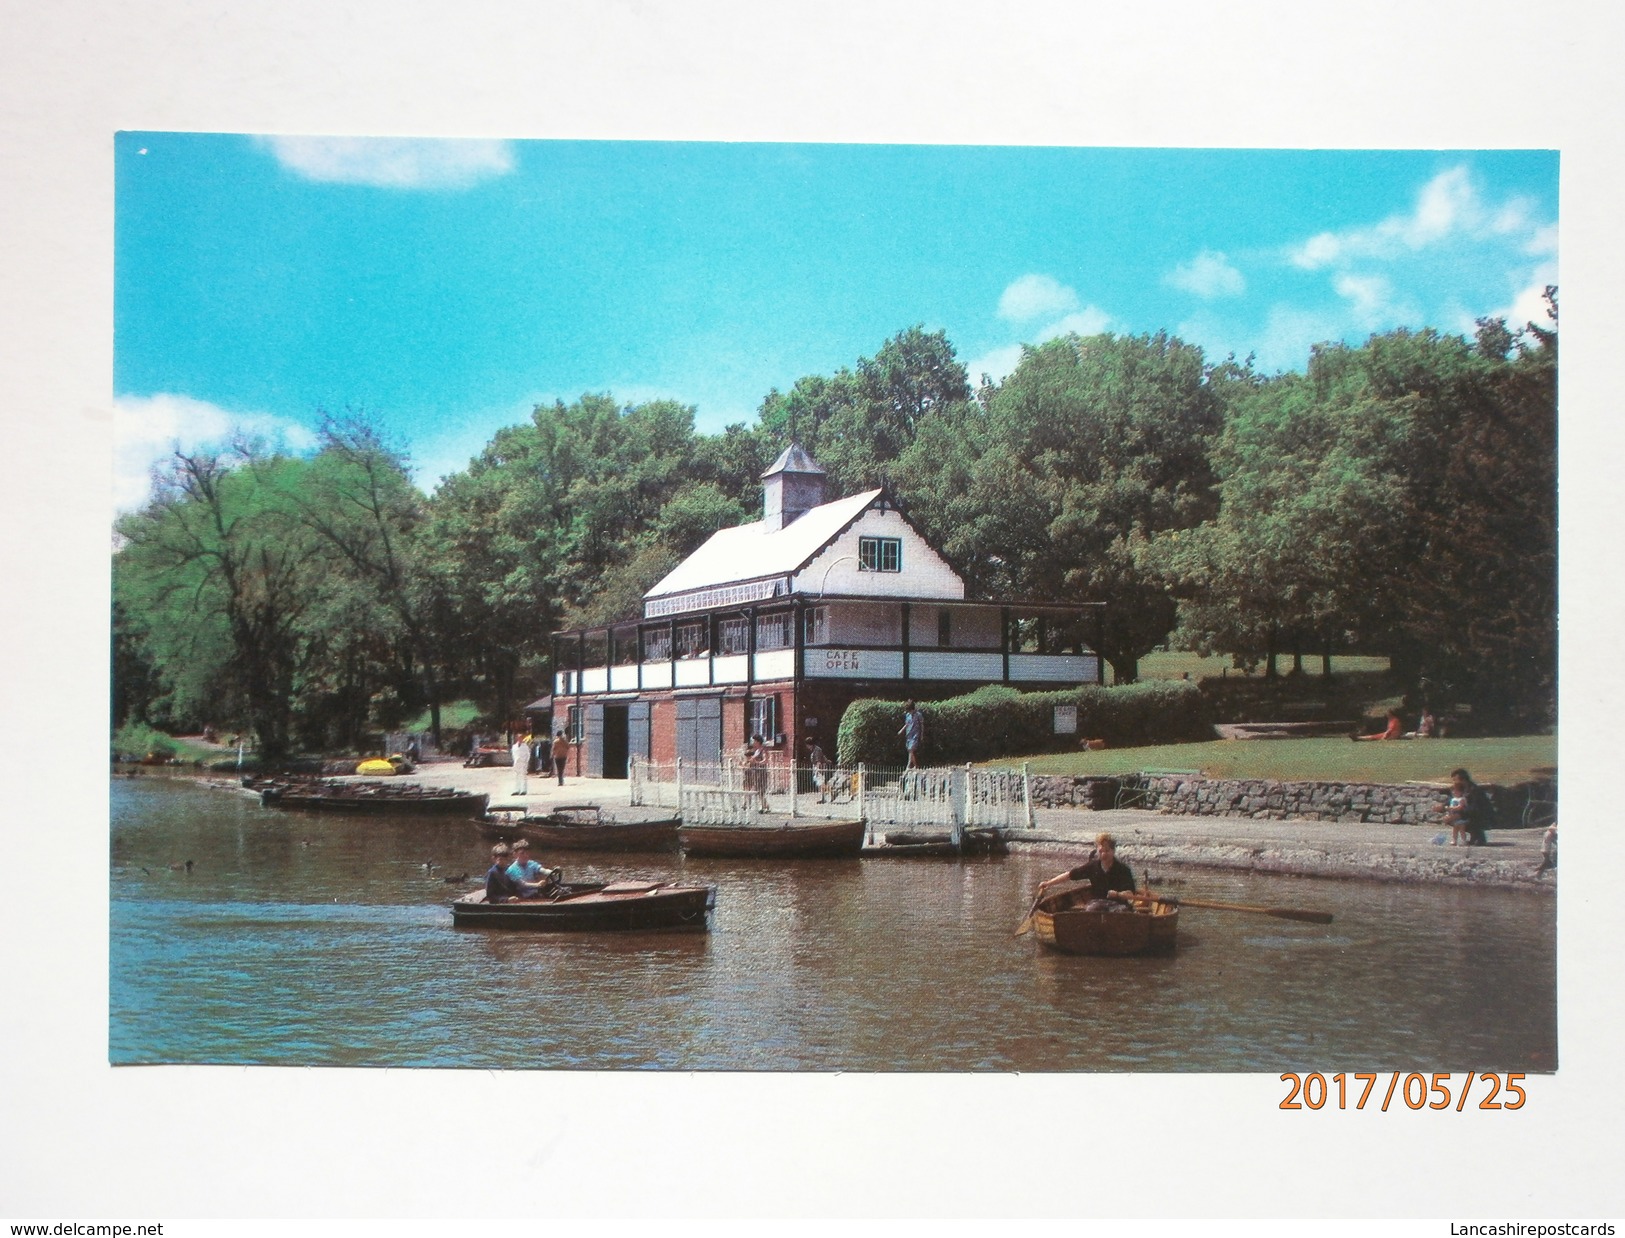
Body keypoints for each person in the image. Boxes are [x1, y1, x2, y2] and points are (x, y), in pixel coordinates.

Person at [1036, 833, 1138, 905]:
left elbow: (1131, 894)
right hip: (1098, 903)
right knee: (1091, 910)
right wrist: (1048, 883)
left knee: (1121, 913)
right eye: (1101, 851)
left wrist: (1118, 894)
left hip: (1118, 905)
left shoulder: (1123, 870)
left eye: (1107, 851)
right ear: (1097, 851)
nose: (1104, 854)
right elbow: (1069, 875)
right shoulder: (1092, 867)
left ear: (1113, 851)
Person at [1443, 767, 1493, 846]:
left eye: (1455, 780)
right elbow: (1451, 801)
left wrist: (1458, 815)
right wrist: (1443, 807)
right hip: (1468, 814)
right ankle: (1474, 836)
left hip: (1482, 817)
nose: (1454, 783)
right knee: (1451, 819)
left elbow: (1475, 809)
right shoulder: (1461, 790)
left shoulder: (1474, 791)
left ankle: (1478, 835)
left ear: (1462, 780)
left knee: (1464, 819)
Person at [744, 734, 771, 812]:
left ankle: (764, 806)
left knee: (761, 790)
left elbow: (765, 761)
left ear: (758, 741)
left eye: (754, 741)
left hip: (761, 772)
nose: (753, 742)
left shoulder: (763, 750)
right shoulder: (756, 751)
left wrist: (757, 762)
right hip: (755, 772)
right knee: (758, 790)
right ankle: (765, 805)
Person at [898, 700, 926, 768]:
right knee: (910, 750)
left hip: (915, 735)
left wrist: (921, 735)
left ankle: (908, 766)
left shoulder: (918, 715)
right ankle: (916, 766)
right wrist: (901, 730)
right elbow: (907, 724)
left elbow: (922, 725)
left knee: (911, 749)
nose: (909, 712)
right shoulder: (908, 715)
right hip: (909, 735)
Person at [805, 737, 833, 803]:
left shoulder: (817, 750)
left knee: (821, 783)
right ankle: (824, 797)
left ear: (809, 744)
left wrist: (818, 770)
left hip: (820, 768)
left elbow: (818, 762)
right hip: (818, 767)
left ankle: (828, 795)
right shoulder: (814, 749)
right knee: (820, 784)